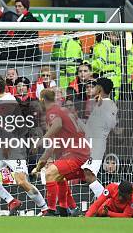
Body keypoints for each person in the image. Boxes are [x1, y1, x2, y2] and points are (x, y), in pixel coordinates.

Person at [0, 75, 49, 215]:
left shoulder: (8, 102)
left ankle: (45, 208)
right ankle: (11, 201)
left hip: (14, 147)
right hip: (2, 147)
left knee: (21, 181)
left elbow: (16, 127)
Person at [33, 88, 90, 216]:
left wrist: (41, 140)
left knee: (50, 173)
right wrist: (39, 165)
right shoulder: (62, 111)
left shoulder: (53, 112)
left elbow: (57, 125)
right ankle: (64, 208)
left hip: (77, 152)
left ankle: (51, 211)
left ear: (42, 100)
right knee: (59, 176)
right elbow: (52, 147)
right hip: (78, 151)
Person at [81, 78, 117, 198]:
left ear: (100, 88)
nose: (93, 89)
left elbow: (111, 124)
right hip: (90, 143)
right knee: (85, 172)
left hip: (97, 144)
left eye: (95, 86)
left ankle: (107, 201)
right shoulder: (100, 103)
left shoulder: (108, 104)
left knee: (89, 173)